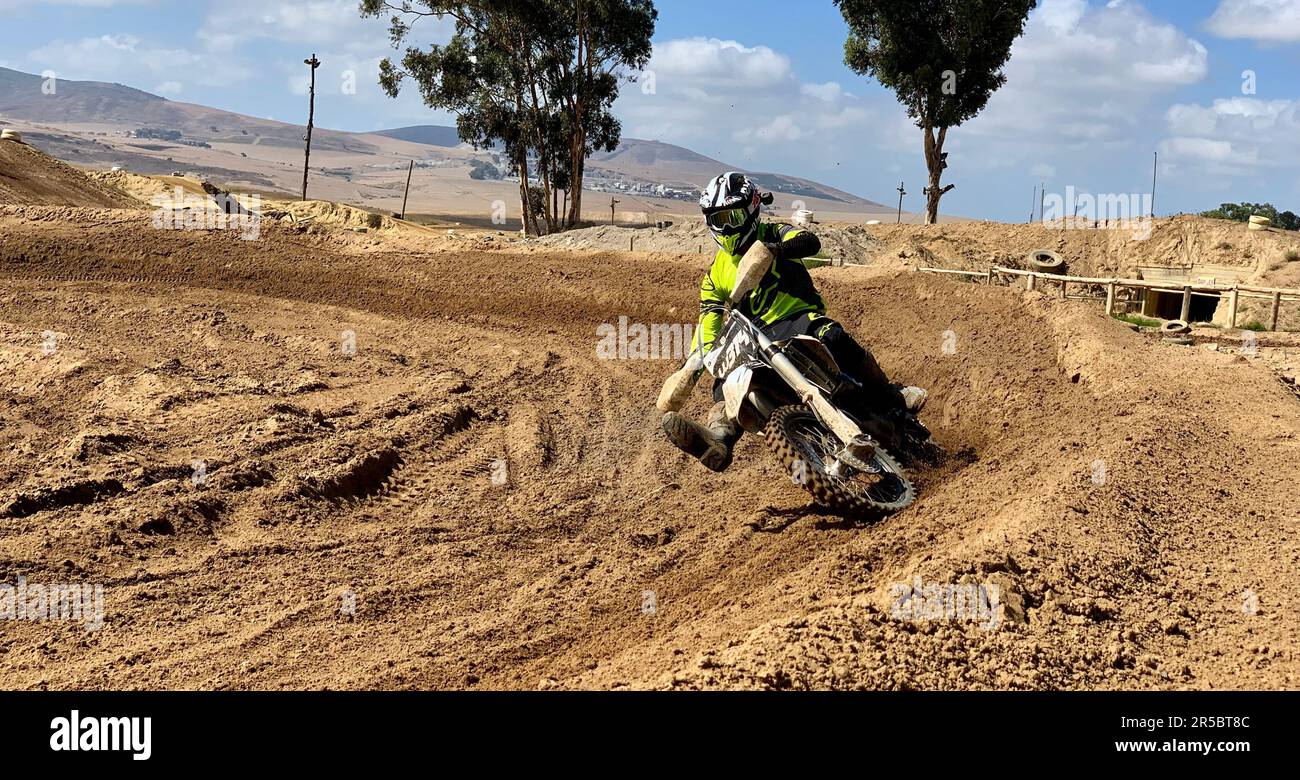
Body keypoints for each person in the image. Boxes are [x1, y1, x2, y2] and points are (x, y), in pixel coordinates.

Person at [659, 171, 926, 472]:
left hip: (796, 319)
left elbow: (808, 241)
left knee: (833, 336)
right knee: (724, 384)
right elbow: (708, 325)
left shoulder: (771, 233)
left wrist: (775, 250)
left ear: (752, 209)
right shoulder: (713, 277)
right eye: (719, 220)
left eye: (733, 217)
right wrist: (692, 368)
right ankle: (718, 439)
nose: (728, 227)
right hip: (755, 342)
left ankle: (892, 396)